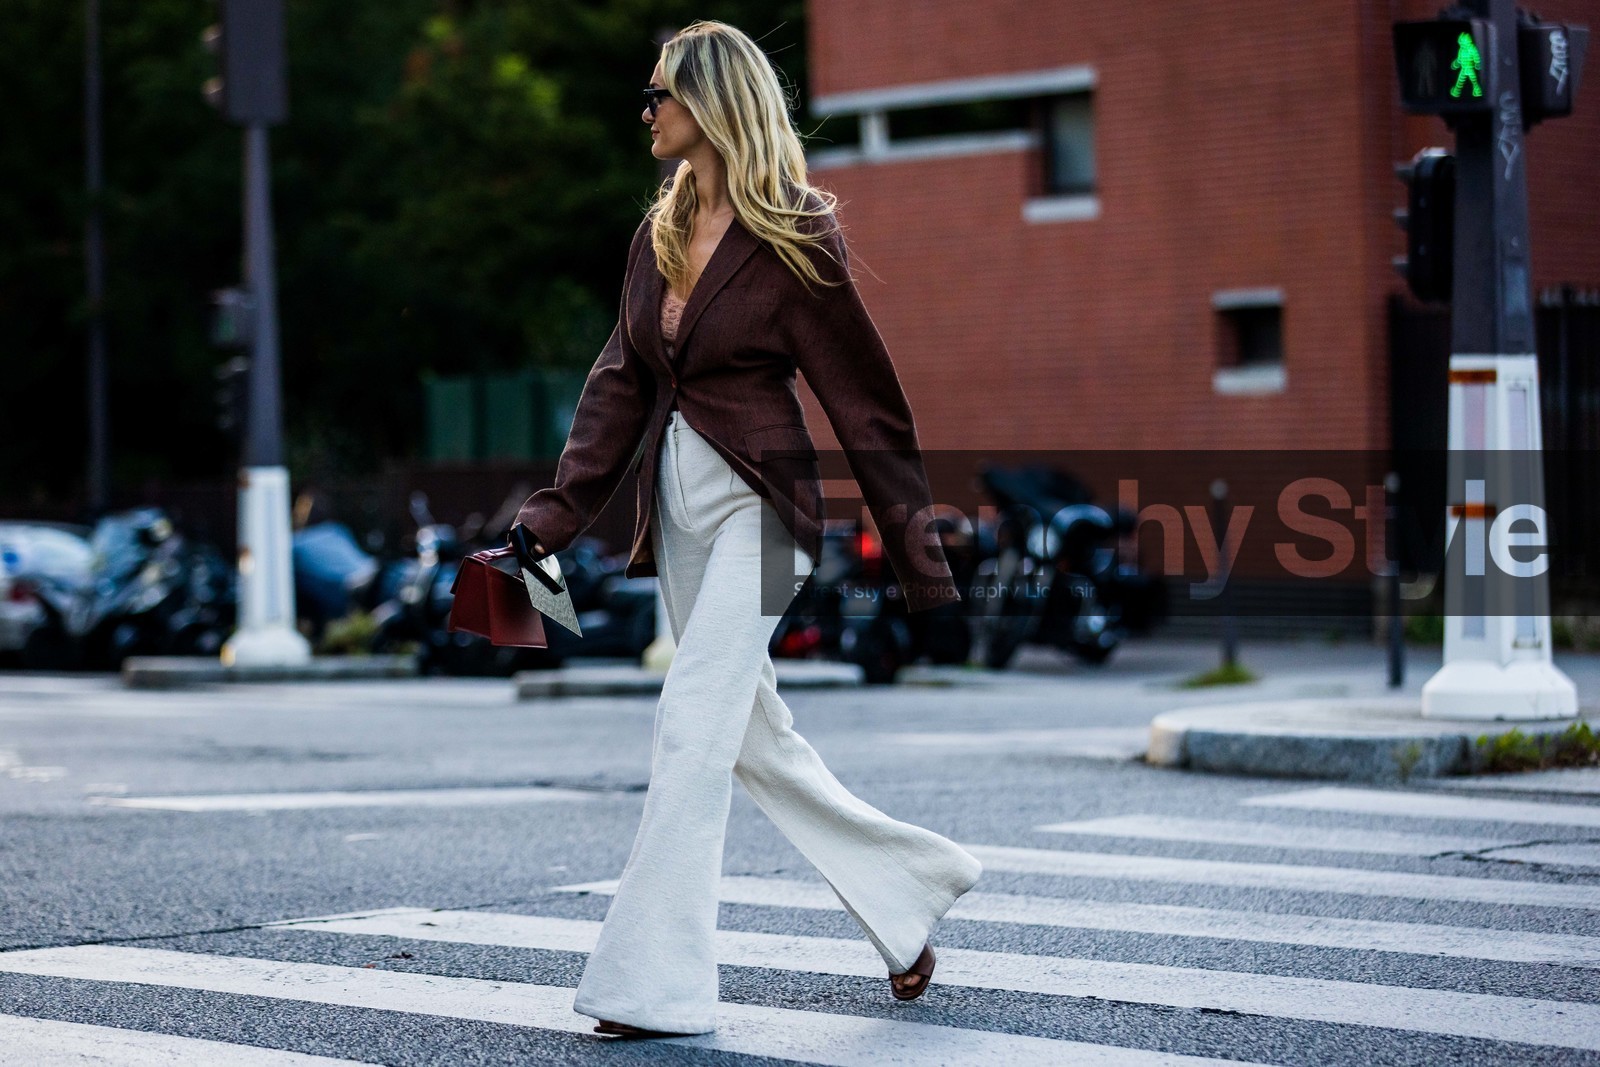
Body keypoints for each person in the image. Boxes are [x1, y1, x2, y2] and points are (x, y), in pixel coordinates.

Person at [506, 19, 982, 1038]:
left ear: (711, 105)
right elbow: (617, 389)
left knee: (690, 725)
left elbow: (869, 409)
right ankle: (909, 898)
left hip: (766, 513)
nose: (646, 111)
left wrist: (924, 572)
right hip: (679, 514)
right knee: (752, 738)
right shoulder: (658, 235)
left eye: (659, 95)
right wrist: (549, 518)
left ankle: (654, 985)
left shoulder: (794, 232)